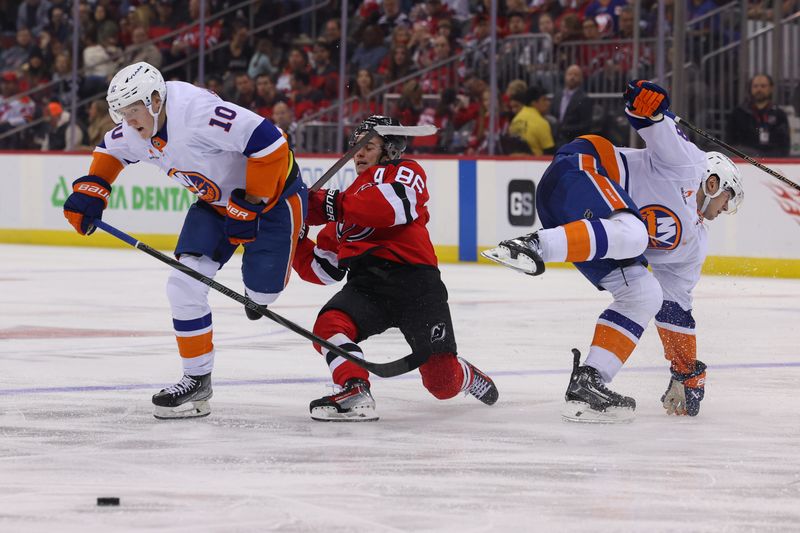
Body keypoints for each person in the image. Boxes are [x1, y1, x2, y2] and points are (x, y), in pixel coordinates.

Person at [483, 80, 744, 422]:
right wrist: (646, 100)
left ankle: (589, 382)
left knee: (644, 294)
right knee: (636, 234)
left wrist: (686, 370)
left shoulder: (693, 244)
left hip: (582, 223)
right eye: (729, 198)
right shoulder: (689, 164)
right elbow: (649, 120)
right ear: (714, 183)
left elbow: (675, 308)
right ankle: (532, 245)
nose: (725, 209)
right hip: (580, 168)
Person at [61, 62, 307, 419]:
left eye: (134, 113)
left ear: (156, 99)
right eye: (123, 115)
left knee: (262, 296)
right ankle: (196, 380)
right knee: (182, 285)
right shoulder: (135, 128)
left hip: (272, 200)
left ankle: (305, 238)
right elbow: (110, 150)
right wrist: (93, 189)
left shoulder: (198, 113)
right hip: (213, 205)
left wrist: (251, 203)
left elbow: (271, 142)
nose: (130, 123)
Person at [292, 115, 498, 421]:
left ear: (389, 150)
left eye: (368, 146)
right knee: (329, 326)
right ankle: (354, 387)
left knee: (442, 384)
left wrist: (332, 204)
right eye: (356, 147)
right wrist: (295, 237)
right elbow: (324, 269)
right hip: (366, 287)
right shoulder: (345, 204)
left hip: (414, 283)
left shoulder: (403, 172)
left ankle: (464, 374)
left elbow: (392, 207)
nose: (358, 153)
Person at [727, 74, 791, 157]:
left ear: (771, 88)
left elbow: (784, 146)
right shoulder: (738, 113)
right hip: (744, 161)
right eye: (755, 86)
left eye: (763, 86)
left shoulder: (779, 114)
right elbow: (730, 142)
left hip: (772, 162)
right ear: (750, 88)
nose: (759, 89)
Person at [552, 64, 594, 148]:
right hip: (555, 138)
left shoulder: (584, 99)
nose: (572, 77)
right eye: (570, 74)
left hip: (572, 140)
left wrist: (564, 129)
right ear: (565, 76)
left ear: (581, 79)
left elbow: (585, 125)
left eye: (576, 75)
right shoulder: (558, 95)